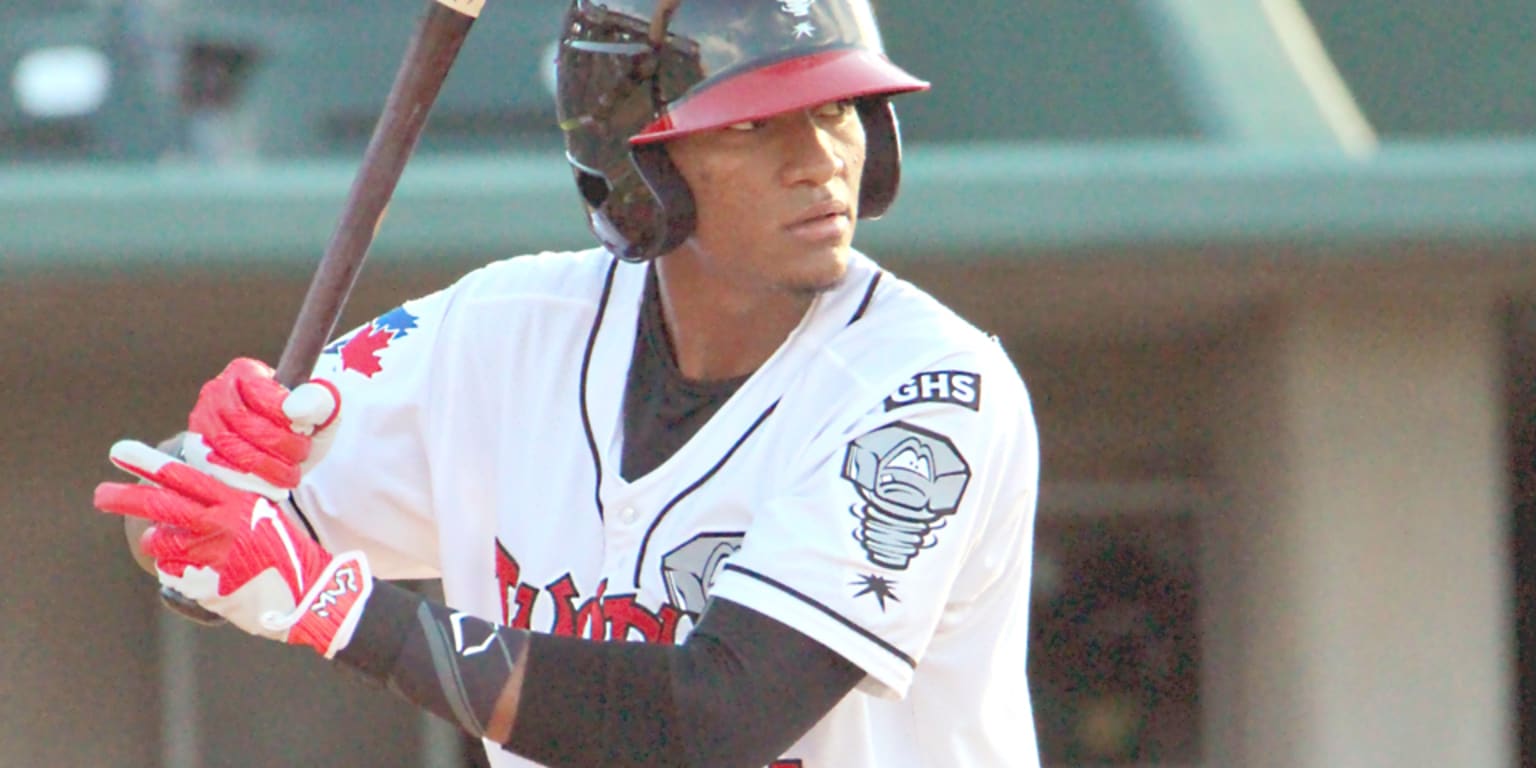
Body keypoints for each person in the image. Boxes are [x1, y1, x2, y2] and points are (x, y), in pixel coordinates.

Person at [95, 1, 1043, 766]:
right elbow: (176, 540)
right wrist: (217, 472)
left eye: (835, 111)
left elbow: (710, 725)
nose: (821, 162)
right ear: (644, 156)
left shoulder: (926, 387)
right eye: (753, 124)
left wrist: (338, 608)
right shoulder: (495, 333)